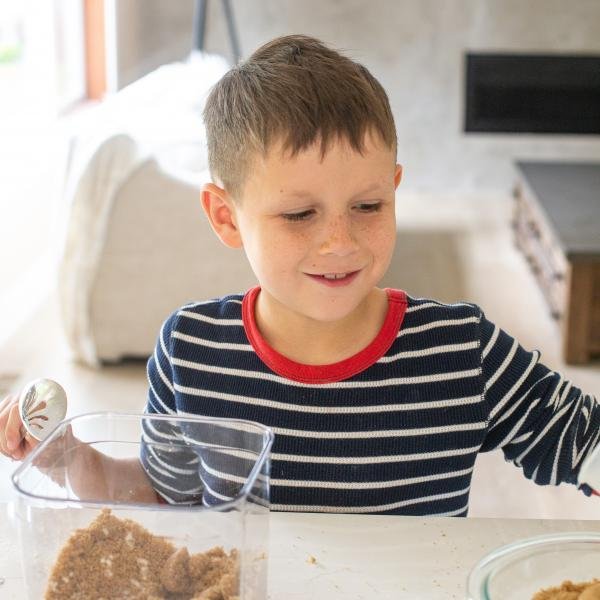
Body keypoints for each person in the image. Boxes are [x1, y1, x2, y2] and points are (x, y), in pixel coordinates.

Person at [1, 34, 598, 516]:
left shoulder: (461, 350)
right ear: (225, 217)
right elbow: (163, 499)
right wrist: (65, 459)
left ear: (394, 189)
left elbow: (584, 445)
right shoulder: (191, 351)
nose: (340, 242)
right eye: (298, 214)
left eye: (368, 206)